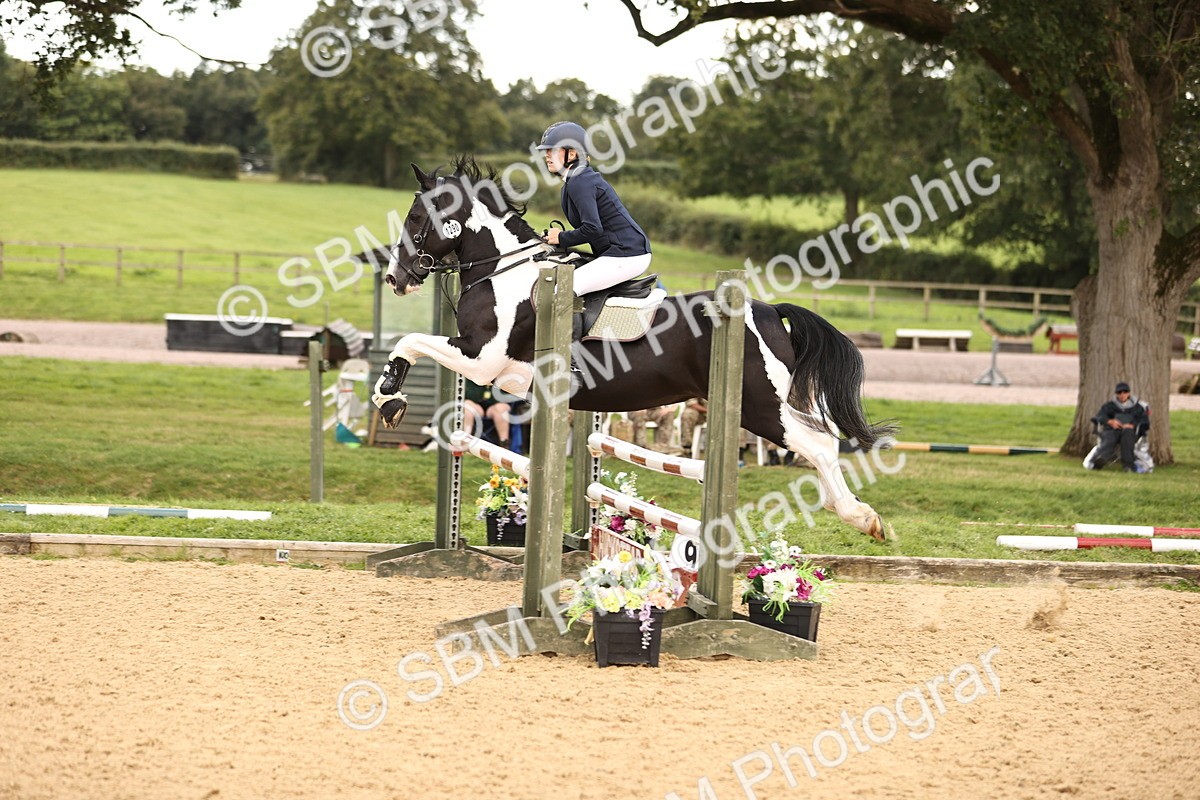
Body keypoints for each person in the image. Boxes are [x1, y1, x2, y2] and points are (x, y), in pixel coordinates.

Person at [535, 120, 652, 296]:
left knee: (562, 290)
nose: (547, 155)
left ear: (572, 154)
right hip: (618, 253)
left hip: (627, 254)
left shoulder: (580, 181)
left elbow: (593, 229)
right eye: (546, 151)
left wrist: (561, 237)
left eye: (552, 150)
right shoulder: (575, 180)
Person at [1088, 381, 1150, 472]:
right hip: (1112, 430)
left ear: (1129, 393)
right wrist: (1110, 421)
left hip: (1129, 432)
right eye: (1119, 392)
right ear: (1116, 394)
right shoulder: (1109, 406)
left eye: (1125, 392)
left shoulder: (1137, 408)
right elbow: (1099, 416)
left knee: (1127, 435)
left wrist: (1133, 425)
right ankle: (1100, 459)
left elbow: (1144, 422)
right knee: (1109, 437)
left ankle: (1128, 465)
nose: (1122, 395)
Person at [463, 379, 513, 450]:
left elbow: (505, 397)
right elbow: (469, 395)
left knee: (500, 408)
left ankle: (504, 443)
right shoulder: (472, 376)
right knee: (467, 404)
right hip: (477, 406)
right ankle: (465, 440)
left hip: (495, 406)